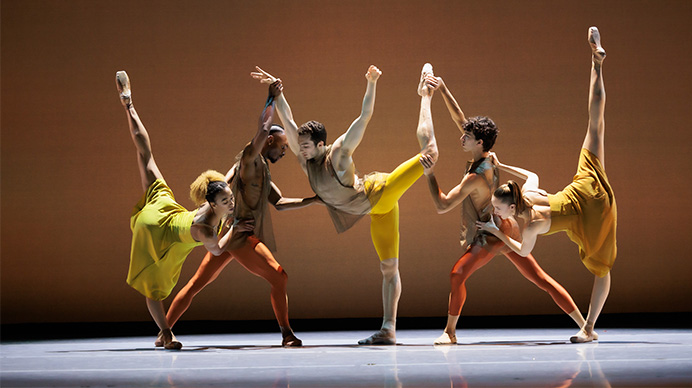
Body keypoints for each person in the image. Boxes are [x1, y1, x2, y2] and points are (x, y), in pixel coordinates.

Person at [251, 64, 439, 345]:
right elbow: (288, 121)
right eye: (298, 145)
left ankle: (425, 94)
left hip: (381, 191)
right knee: (388, 268)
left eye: (305, 146)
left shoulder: (337, 154)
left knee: (431, 153)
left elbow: (364, 117)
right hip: (377, 212)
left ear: (320, 144)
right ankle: (388, 329)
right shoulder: (306, 160)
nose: (299, 150)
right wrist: (277, 92)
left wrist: (372, 82)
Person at [419, 73, 592, 345]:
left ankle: (450, 333)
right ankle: (586, 327)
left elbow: (442, 205)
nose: (461, 138)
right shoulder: (488, 155)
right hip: (506, 226)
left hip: (492, 234)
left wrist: (429, 175)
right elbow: (460, 117)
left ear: (479, 143)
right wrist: (443, 89)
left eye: (467, 136)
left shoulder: (475, 176)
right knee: (541, 279)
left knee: (457, 274)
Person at [478, 27, 616, 343]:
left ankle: (589, 328)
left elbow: (521, 251)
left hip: (590, 216)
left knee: (601, 270)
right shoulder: (527, 192)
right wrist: (502, 165)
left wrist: (497, 232)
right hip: (585, 187)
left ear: (512, 207)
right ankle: (596, 64)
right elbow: (530, 174)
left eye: (499, 210)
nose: (497, 213)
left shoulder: (527, 227)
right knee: (596, 124)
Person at [163, 79, 319, 347]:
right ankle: (287, 334)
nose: (284, 151)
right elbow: (262, 127)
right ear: (269, 140)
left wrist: (314, 200)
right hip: (239, 236)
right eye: (282, 146)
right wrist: (270, 100)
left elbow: (279, 202)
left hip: (233, 235)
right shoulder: (248, 160)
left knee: (196, 284)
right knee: (279, 276)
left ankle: (163, 333)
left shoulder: (264, 170)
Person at [117, 70, 242, 350]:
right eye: (226, 202)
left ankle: (128, 104)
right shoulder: (205, 228)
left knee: (146, 155)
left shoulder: (216, 193)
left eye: (230, 198)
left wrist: (241, 162)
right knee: (154, 288)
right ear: (212, 204)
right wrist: (236, 225)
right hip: (160, 233)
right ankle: (166, 334)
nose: (231, 202)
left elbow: (228, 179)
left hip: (164, 208)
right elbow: (218, 250)